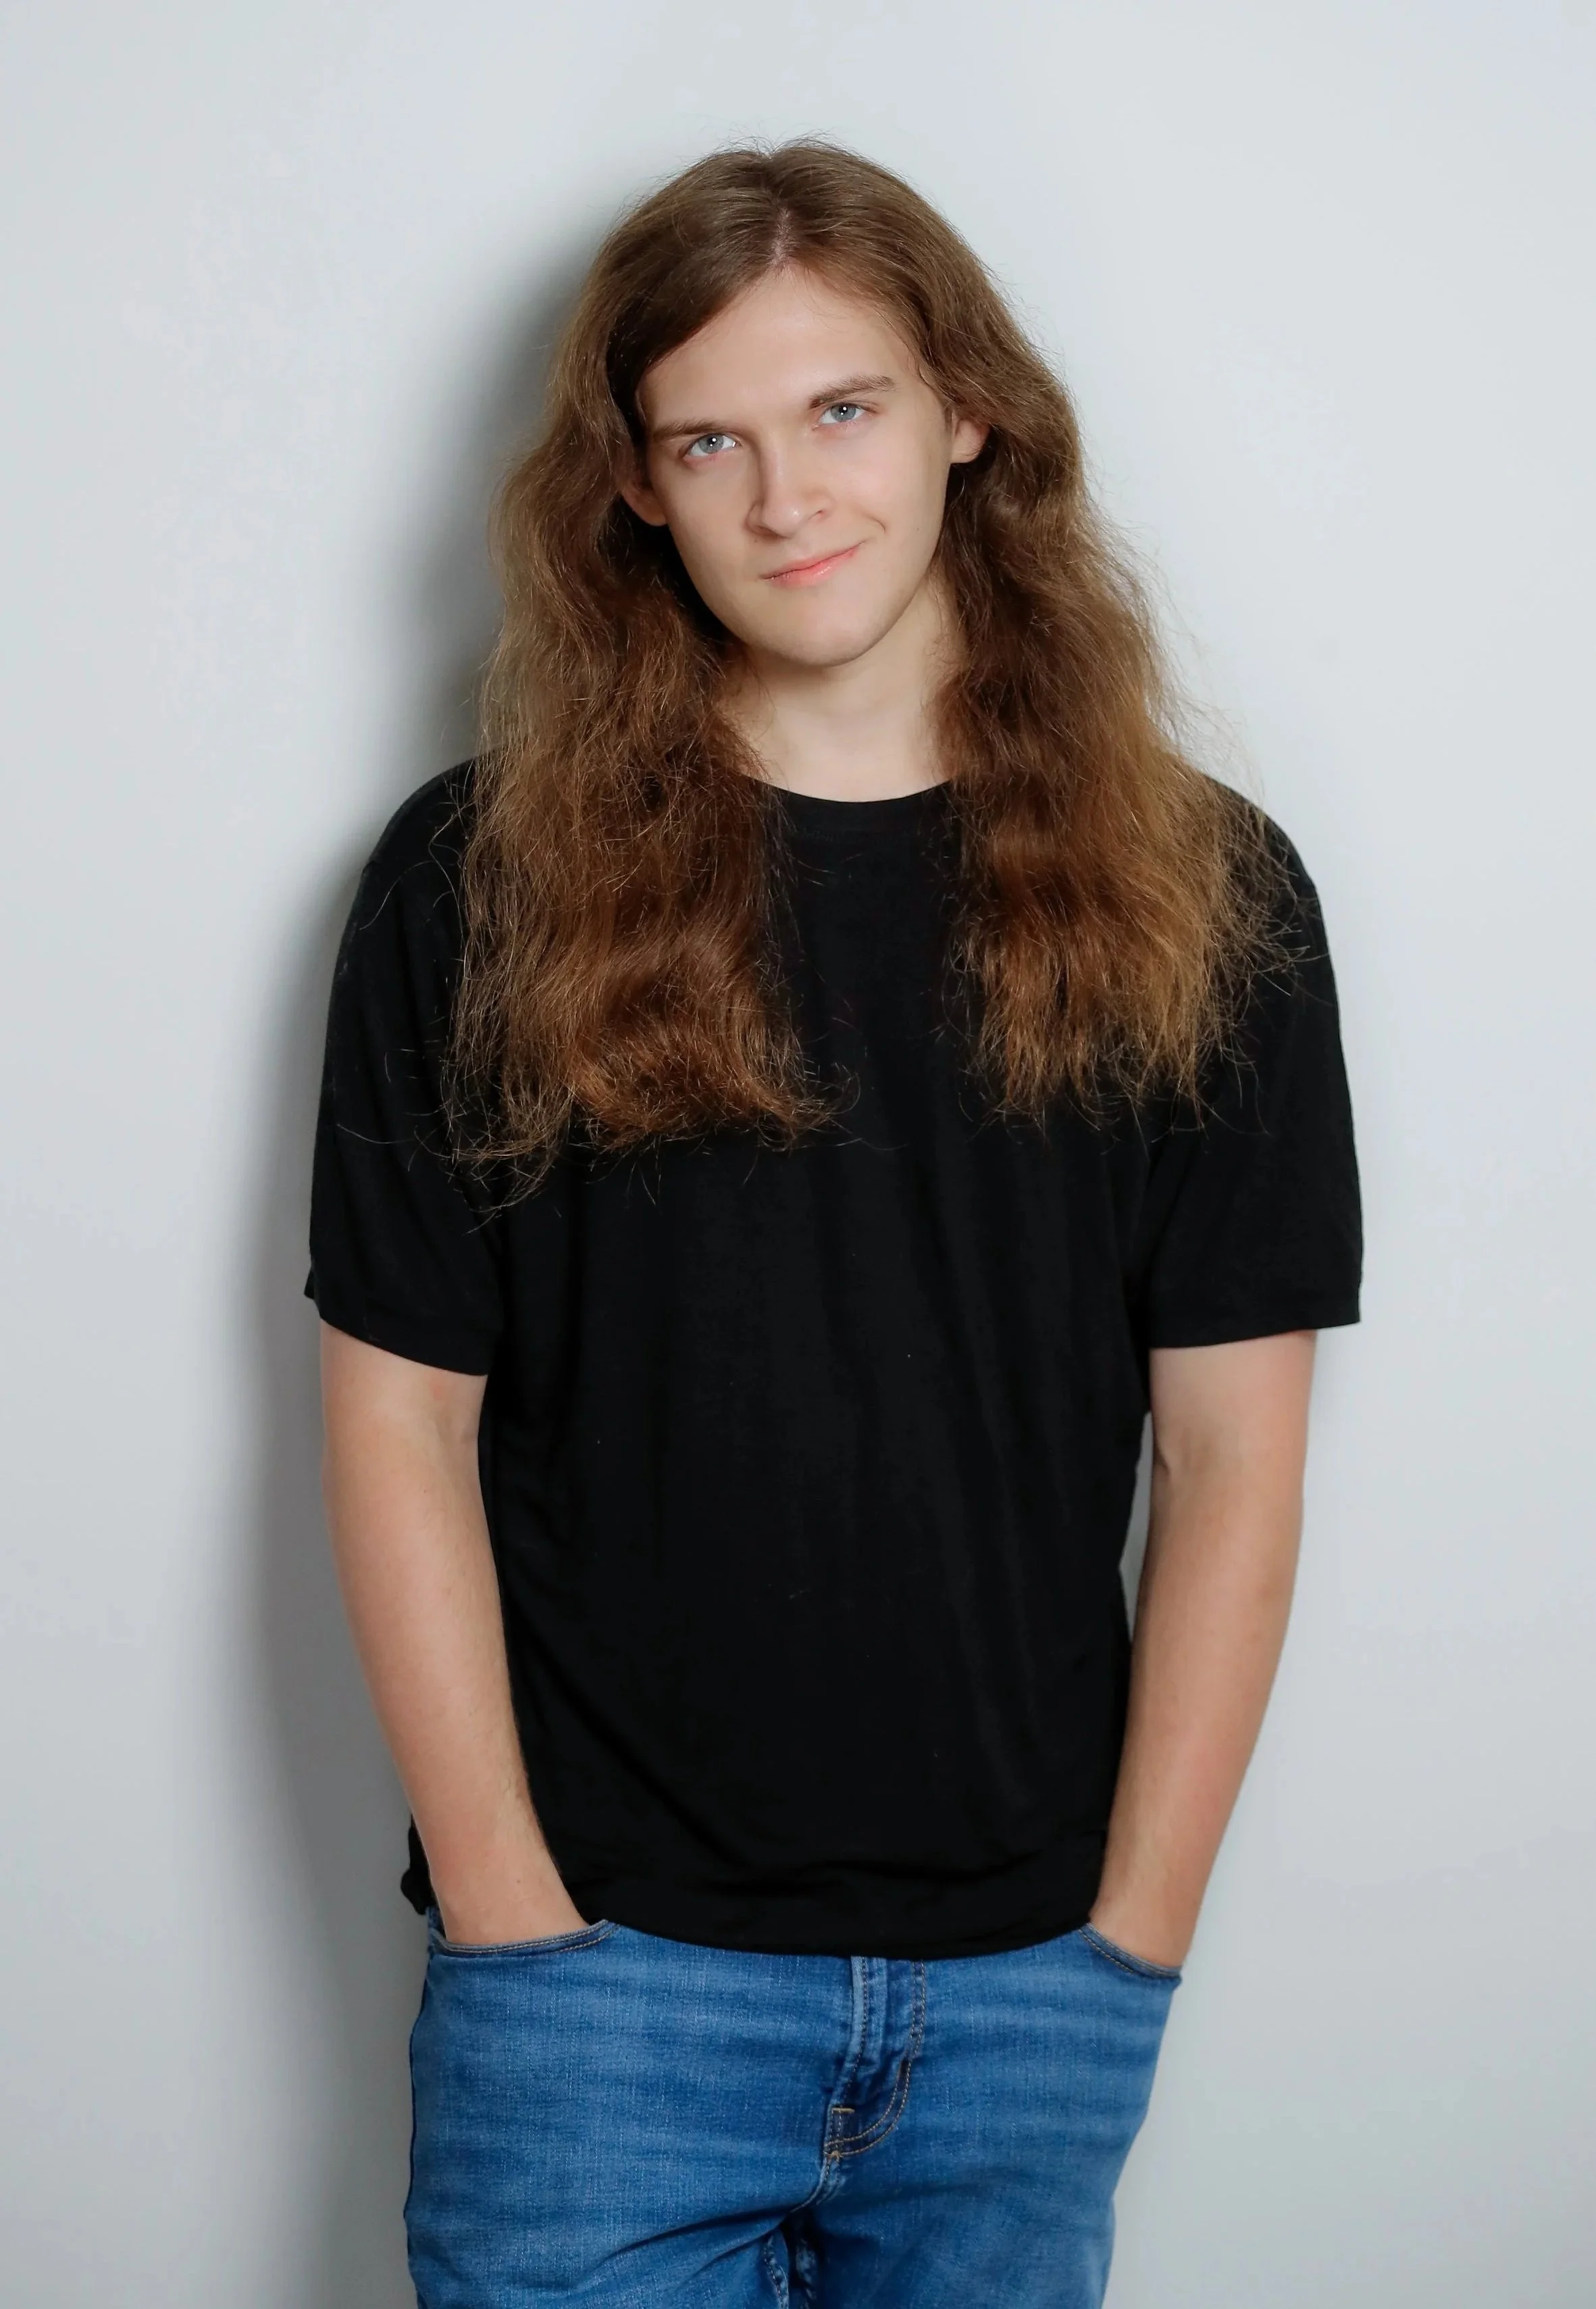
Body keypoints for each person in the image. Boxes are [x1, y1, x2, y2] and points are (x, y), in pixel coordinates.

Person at [307, 139, 1361, 2309]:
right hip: (598, 1994)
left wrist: (1129, 1944)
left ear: (968, 406)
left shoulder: (1214, 896)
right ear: (633, 487)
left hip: (1025, 2003)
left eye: (843, 411)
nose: (789, 498)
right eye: (712, 437)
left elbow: (1237, 1454)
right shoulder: (475, 882)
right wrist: (512, 1914)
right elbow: (395, 1429)